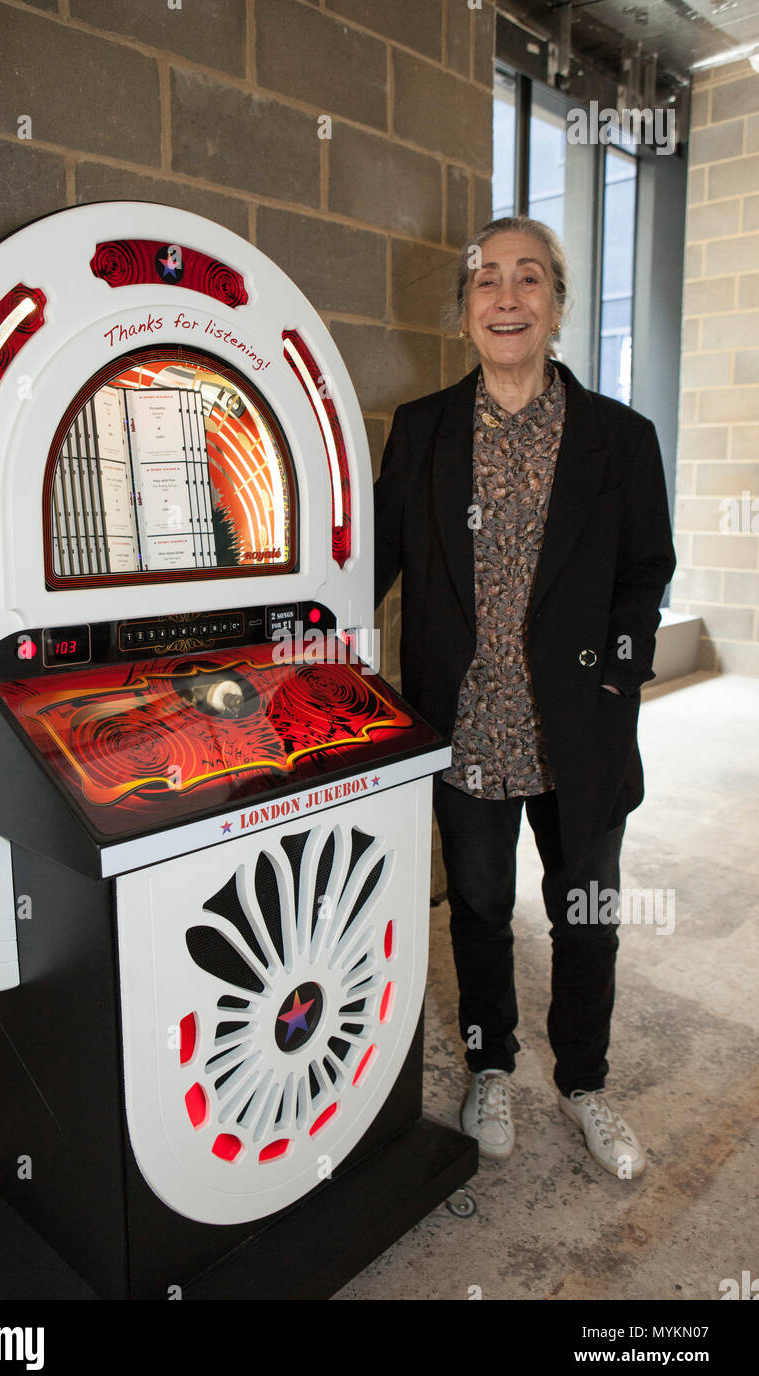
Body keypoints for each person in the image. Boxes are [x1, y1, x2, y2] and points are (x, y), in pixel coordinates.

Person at [373, 215, 676, 1178]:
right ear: (464, 313)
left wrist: (619, 675)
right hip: (464, 730)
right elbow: (371, 564)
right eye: (486, 282)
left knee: (585, 913)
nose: (507, 297)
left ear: (557, 308)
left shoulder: (620, 440)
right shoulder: (421, 431)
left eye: (529, 280)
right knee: (478, 909)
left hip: (577, 732)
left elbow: (646, 570)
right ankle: (490, 1062)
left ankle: (585, 1080)